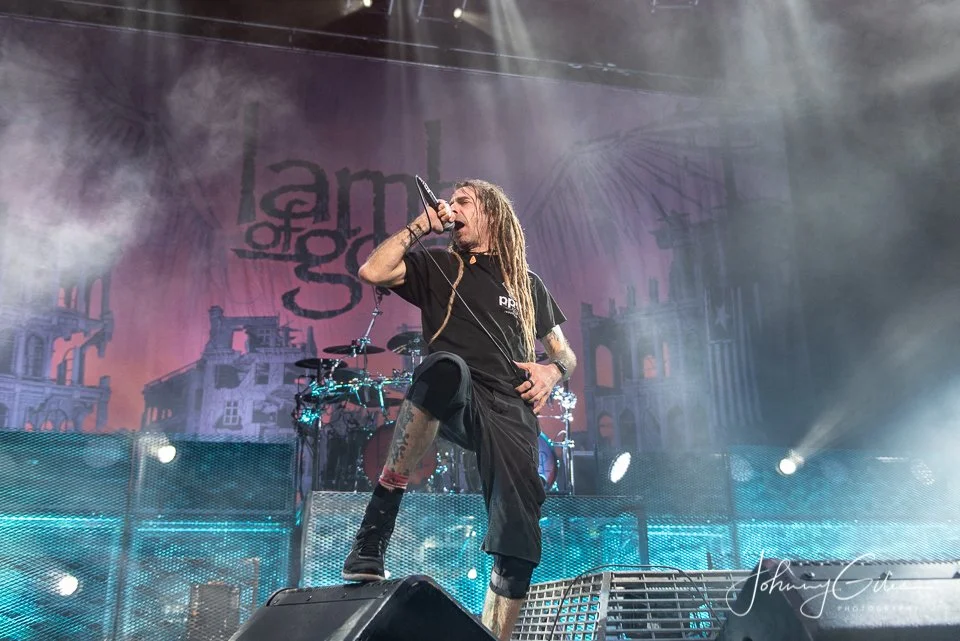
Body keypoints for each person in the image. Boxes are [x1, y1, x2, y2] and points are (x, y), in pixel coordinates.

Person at [342, 179, 577, 640]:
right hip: (460, 396)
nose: (452, 207)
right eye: (450, 201)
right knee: (444, 368)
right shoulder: (439, 265)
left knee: (520, 542)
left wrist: (553, 372)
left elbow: (564, 353)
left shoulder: (527, 285)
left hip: (511, 410)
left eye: (464, 201)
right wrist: (420, 226)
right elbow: (373, 270)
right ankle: (374, 531)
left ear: (492, 214)